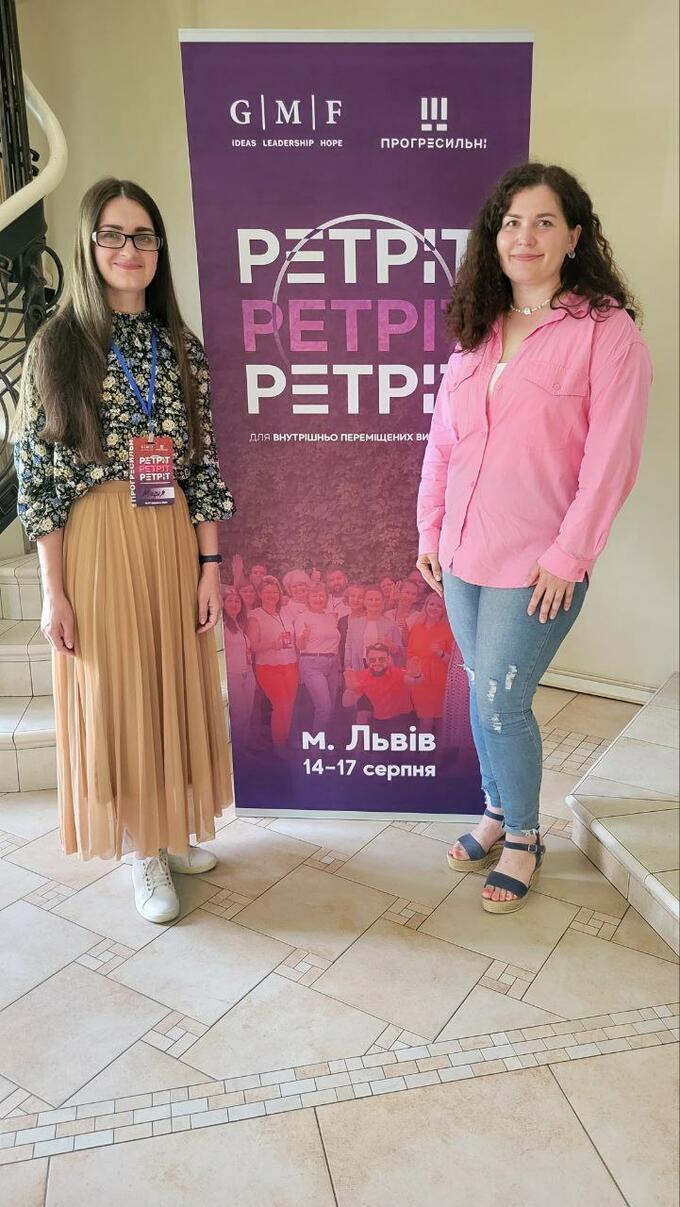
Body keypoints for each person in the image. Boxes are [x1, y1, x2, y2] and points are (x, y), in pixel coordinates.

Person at [417, 161, 651, 914]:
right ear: (495, 238)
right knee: (479, 688)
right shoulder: (477, 328)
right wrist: (429, 527)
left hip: (539, 564)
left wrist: (569, 556)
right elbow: (443, 443)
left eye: (544, 222)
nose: (526, 237)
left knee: (501, 702)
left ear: (574, 236)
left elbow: (611, 460)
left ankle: (523, 834)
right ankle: (495, 809)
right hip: (462, 552)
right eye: (511, 223)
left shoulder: (606, 333)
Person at [13, 178, 234, 923]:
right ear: (88, 245)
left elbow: (202, 464)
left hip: (170, 529)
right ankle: (142, 848)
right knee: (121, 693)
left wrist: (210, 566)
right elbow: (40, 480)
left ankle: (169, 829)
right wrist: (54, 591)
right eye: (112, 234)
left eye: (142, 235)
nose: (128, 249)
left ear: (158, 249)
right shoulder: (57, 345)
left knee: (172, 682)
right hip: (100, 535)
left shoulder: (179, 344)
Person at [246, 575, 298, 749]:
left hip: (290, 663)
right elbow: (252, 645)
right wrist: (273, 645)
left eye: (275, 592)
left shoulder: (286, 612)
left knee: (289, 705)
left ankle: (285, 740)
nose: (272, 595)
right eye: (268, 592)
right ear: (260, 594)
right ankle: (279, 746)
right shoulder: (255, 615)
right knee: (280, 705)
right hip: (268, 667)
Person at [344, 643, 422, 737]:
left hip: (403, 720)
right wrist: (351, 689)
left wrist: (417, 675)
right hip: (381, 721)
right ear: (367, 661)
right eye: (372, 660)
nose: (377, 663)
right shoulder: (363, 676)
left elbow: (413, 681)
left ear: (388, 659)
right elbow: (346, 703)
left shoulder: (396, 673)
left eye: (381, 659)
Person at [294, 583, 341, 733]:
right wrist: (303, 636)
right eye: (314, 595)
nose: (318, 599)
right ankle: (317, 744)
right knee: (324, 707)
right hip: (312, 663)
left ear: (326, 598)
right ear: (308, 598)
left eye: (321, 595)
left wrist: (339, 668)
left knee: (331, 707)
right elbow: (300, 646)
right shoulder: (302, 617)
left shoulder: (331, 617)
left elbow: (335, 643)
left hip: (333, 664)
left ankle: (324, 739)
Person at [406, 592, 453, 732]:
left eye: (439, 606)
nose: (434, 608)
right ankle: (424, 746)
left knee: (440, 721)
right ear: (426, 606)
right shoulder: (416, 629)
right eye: (431, 604)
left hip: (439, 681)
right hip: (420, 681)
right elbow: (409, 655)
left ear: (443, 610)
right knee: (425, 719)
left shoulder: (448, 630)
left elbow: (453, 662)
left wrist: (440, 653)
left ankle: (438, 747)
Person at [222, 585, 256, 748]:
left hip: (247, 674)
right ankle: (237, 752)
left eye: (237, 601)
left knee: (247, 714)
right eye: (230, 601)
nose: (234, 604)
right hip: (232, 675)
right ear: (223, 603)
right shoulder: (221, 625)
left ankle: (244, 749)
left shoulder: (239, 625)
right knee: (239, 715)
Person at [344, 585, 404, 670]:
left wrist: (391, 646)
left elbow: (400, 653)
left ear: (383, 602)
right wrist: (347, 666)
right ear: (364, 602)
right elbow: (348, 648)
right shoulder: (354, 625)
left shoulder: (391, 625)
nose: (373, 602)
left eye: (377, 599)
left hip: (383, 668)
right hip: (360, 667)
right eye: (370, 599)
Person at [386, 579, 422, 643]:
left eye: (413, 594)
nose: (409, 597)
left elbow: (414, 642)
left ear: (416, 599)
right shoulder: (388, 614)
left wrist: (405, 629)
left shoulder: (418, 617)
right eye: (407, 592)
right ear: (399, 593)